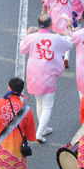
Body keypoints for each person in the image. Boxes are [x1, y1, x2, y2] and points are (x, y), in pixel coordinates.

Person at [20, 14, 72, 143]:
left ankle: (44, 129)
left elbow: (22, 48)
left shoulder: (31, 37)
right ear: (50, 25)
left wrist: (27, 33)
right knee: (48, 104)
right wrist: (68, 29)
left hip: (34, 73)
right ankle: (40, 132)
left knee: (39, 102)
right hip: (48, 72)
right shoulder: (54, 38)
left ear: (38, 25)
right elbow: (69, 43)